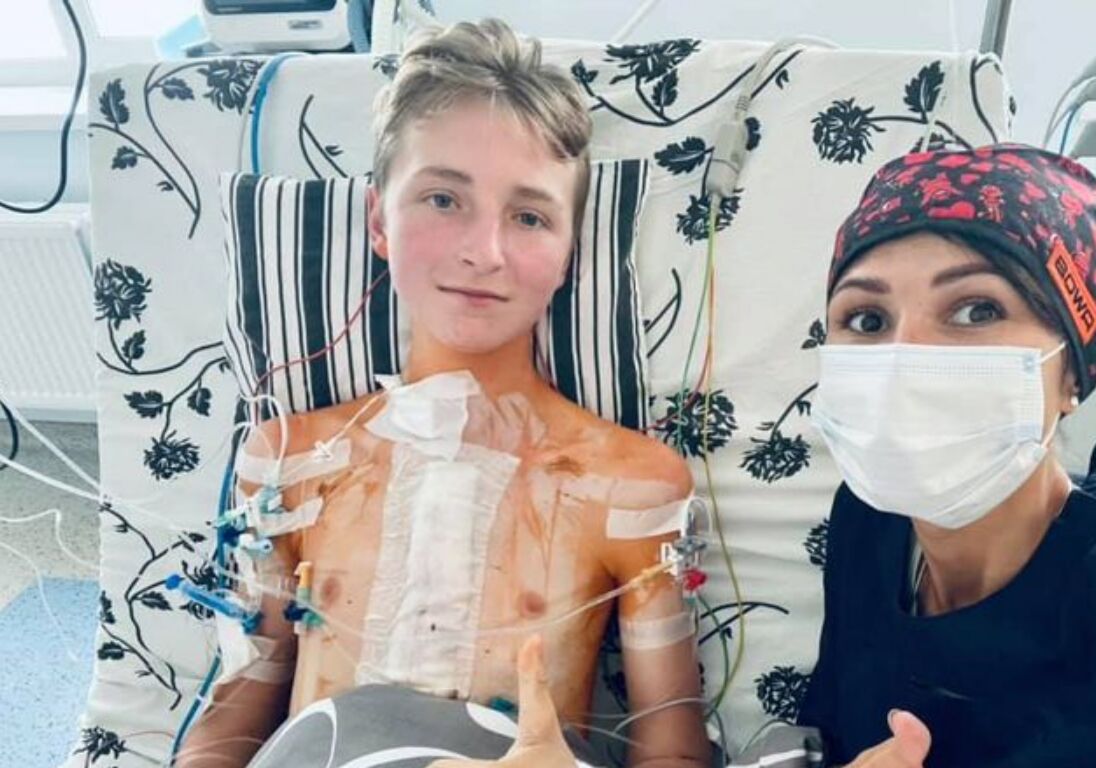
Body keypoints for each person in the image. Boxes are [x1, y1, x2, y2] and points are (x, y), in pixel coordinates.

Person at [177, 19, 709, 767]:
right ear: (378, 221)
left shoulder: (632, 486)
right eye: (442, 199)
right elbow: (233, 717)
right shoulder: (288, 462)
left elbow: (671, 749)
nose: (482, 252)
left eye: (529, 217)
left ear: (568, 252)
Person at [797, 144, 1096, 767]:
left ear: (1073, 372)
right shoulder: (868, 523)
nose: (904, 360)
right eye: (868, 320)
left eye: (976, 310)